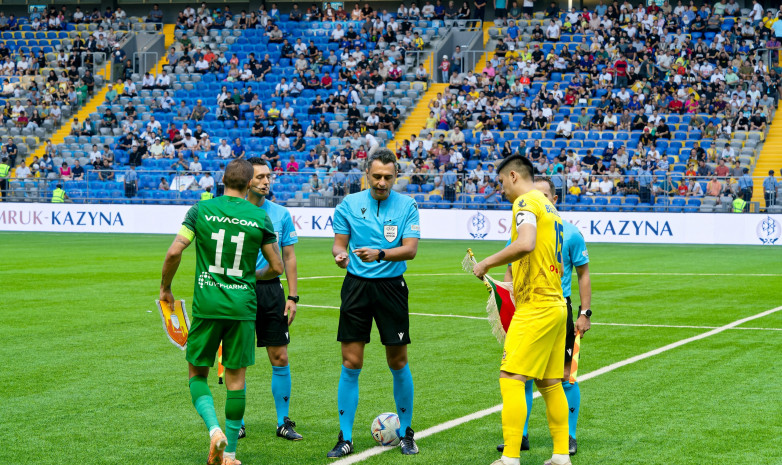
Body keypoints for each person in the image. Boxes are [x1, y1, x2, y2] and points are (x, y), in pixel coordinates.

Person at [159, 159, 283, 465]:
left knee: (197, 373)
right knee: (236, 379)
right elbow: (277, 266)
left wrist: (166, 288)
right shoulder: (259, 217)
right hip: (242, 308)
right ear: (249, 184)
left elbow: (175, 250)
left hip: (207, 305)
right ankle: (229, 455)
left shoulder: (200, 211)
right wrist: (249, 278)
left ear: (221, 180)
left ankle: (214, 430)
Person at [471, 155, 571, 465]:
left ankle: (510, 457)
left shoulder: (526, 202)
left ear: (513, 176)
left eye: (501, 182)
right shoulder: (550, 207)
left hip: (538, 305)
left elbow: (526, 243)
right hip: (556, 304)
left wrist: (487, 262)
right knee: (550, 382)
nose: (501, 189)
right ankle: (561, 456)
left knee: (511, 376)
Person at [327, 149, 421, 458]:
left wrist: (379, 253)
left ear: (396, 176)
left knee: (398, 361)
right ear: (367, 174)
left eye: (388, 177)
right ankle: (345, 437)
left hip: (392, 287)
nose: (381, 182)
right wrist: (340, 256)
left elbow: (410, 250)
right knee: (351, 362)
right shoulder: (349, 204)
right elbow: (340, 244)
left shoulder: (407, 205)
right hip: (356, 287)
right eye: (376, 176)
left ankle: (406, 433)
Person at [497, 177, 592, 457]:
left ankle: (567, 437)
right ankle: (525, 437)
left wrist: (585, 312)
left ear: (554, 199)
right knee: (531, 377)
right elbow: (512, 269)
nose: (539, 199)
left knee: (559, 376)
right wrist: (506, 300)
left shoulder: (569, 232)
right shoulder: (524, 227)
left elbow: (583, 273)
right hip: (535, 307)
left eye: (545, 195)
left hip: (551, 307)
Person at [240, 158, 302, 441]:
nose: (267, 181)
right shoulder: (232, 211)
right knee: (237, 358)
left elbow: (288, 257)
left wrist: (292, 296)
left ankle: (283, 422)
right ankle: (235, 421)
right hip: (237, 291)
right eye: (261, 177)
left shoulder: (280, 214)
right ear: (247, 180)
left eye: (269, 176)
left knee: (280, 356)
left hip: (270, 291)